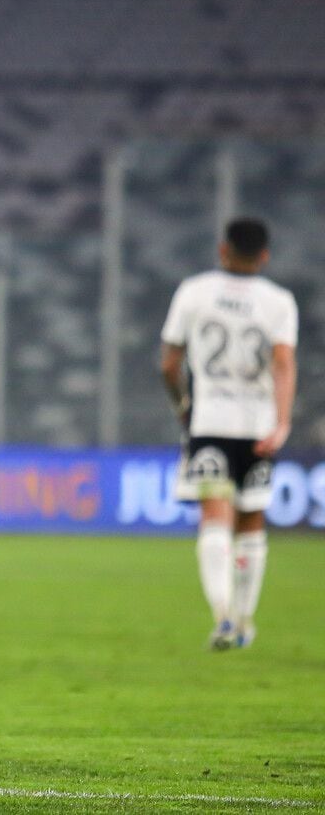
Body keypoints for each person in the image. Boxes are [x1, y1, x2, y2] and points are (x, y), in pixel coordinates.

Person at [160, 217, 297, 650]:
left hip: (210, 421)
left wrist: (184, 404)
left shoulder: (194, 291)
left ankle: (220, 617)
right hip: (257, 424)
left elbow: (168, 362)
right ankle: (245, 619)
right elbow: (283, 362)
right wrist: (282, 420)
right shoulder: (279, 302)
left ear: (223, 250)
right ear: (265, 255)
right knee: (251, 521)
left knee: (214, 518)